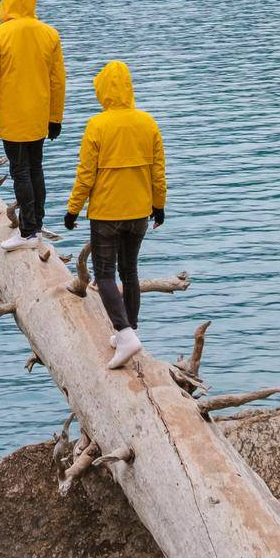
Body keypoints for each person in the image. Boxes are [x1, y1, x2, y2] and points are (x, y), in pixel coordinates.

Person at [63, 61, 166, 369]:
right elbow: (157, 172)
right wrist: (159, 206)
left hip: (107, 214)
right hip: (139, 213)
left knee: (105, 275)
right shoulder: (148, 123)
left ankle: (123, 333)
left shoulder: (97, 125)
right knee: (129, 272)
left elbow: (86, 174)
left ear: (104, 91)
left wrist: (73, 209)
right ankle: (130, 329)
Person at [0, 0, 66, 250]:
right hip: (39, 115)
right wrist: (55, 117)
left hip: (12, 117)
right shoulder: (50, 34)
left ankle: (28, 232)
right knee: (35, 168)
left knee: (20, 171)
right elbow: (58, 81)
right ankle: (36, 224)